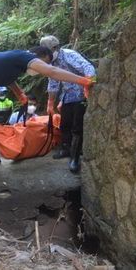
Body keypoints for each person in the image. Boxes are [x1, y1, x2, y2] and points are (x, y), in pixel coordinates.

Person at [0, 47, 94, 186]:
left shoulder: (17, 62)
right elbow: (52, 71)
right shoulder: (24, 57)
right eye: (45, 61)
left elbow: (8, 79)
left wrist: (20, 93)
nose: (45, 66)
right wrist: (83, 81)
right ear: (37, 56)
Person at [41, 35, 96, 173]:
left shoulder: (69, 55)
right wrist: (51, 102)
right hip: (67, 96)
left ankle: (75, 157)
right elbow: (53, 82)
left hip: (81, 94)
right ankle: (65, 149)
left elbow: (87, 67)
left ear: (55, 48)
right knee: (65, 125)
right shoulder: (51, 63)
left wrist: (88, 86)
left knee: (77, 128)